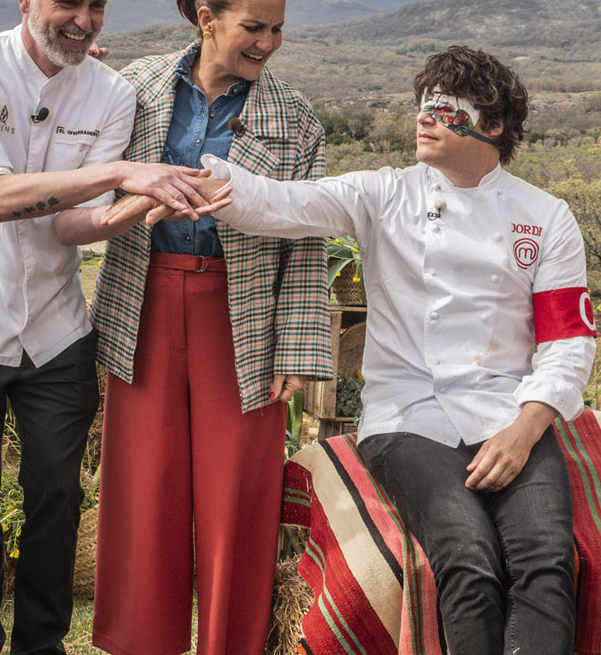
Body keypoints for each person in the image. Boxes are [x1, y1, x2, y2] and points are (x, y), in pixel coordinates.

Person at [114, 45, 596, 654]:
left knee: (546, 561)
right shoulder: (382, 193)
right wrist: (201, 176)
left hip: (510, 410)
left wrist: (526, 429)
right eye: (423, 106)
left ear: (493, 126)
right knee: (468, 560)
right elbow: (278, 204)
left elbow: (568, 340)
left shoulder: (544, 217)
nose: (425, 117)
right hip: (407, 417)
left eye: (446, 109)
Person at [0, 0, 227, 655]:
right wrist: (124, 172)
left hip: (55, 331)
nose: (84, 21)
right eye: (68, 3)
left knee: (58, 499)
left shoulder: (108, 93)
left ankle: (41, 644)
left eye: (98, 7)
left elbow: (72, 227)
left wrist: (137, 205)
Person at [87, 0, 332, 655]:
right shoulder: (131, 88)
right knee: (143, 485)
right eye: (255, 27)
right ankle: (140, 642)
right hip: (145, 302)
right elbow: (90, 180)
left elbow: (307, 238)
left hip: (246, 313)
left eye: (278, 30)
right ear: (207, 20)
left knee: (239, 495)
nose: (268, 43)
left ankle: (231, 644)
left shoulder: (296, 118)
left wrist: (298, 348)